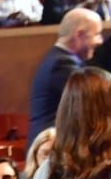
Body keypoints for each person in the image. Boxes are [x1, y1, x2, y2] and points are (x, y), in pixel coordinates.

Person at [28, 8, 104, 145]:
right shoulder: (62, 64)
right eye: (97, 34)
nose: (100, 41)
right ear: (79, 35)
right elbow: (96, 100)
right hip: (51, 149)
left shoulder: (58, 58)